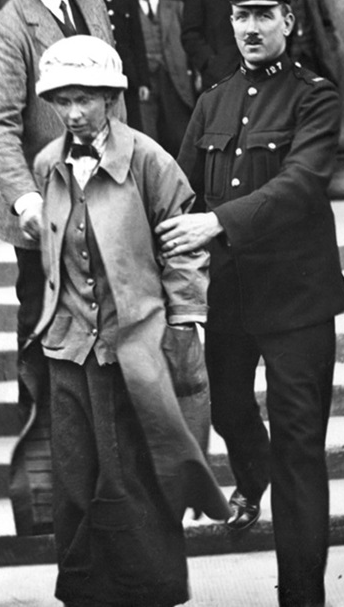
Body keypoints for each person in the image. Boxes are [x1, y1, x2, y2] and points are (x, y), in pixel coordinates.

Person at [156, 0, 344, 607]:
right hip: (230, 300)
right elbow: (179, 191)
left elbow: (300, 186)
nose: (249, 27)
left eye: (263, 14)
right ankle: (252, 471)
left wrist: (216, 223)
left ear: (288, 22)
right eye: (241, 15)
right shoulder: (213, 100)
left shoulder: (315, 96)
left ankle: (301, 597)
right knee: (230, 410)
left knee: (301, 451)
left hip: (298, 301)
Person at [29, 34, 230, 607]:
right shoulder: (48, 163)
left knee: (132, 477)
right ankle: (89, 593)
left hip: (134, 349)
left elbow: (185, 248)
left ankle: (150, 592)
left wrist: (186, 323)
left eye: (86, 98)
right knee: (75, 481)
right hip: (67, 349)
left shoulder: (148, 159)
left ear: (112, 97)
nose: (74, 113)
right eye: (63, 100)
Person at [0, 0, 124, 534]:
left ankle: (110, 483)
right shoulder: (5, 29)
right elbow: (1, 130)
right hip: (41, 214)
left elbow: (113, 97)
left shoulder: (92, 7)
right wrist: (26, 199)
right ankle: (39, 496)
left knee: (105, 338)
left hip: (103, 202)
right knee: (41, 349)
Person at [75, 0, 150, 131]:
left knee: (131, 131)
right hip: (94, 73)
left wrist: (143, 80)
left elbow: (137, 40)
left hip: (126, 75)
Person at [129, 0, 196, 157]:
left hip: (174, 77)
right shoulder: (128, 10)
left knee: (179, 133)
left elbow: (189, 41)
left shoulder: (175, 7)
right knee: (149, 136)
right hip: (146, 81)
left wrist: (195, 72)